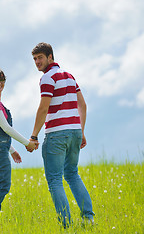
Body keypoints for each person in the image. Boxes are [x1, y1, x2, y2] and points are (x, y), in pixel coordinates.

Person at [28, 42, 95, 228]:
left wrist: (33, 136)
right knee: (72, 174)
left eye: (40, 57)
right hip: (74, 131)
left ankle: (66, 225)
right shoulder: (70, 76)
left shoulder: (48, 78)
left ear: (51, 57)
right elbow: (83, 105)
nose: (37, 62)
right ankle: (88, 219)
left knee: (55, 180)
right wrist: (80, 131)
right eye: (34, 59)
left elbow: (43, 108)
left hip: (57, 134)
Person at [0, 67, 37, 225]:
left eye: (2, 80)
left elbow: (1, 132)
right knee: (3, 186)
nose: (0, 83)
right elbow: (6, 129)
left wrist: (12, 150)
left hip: (1, 146)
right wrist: (27, 143)